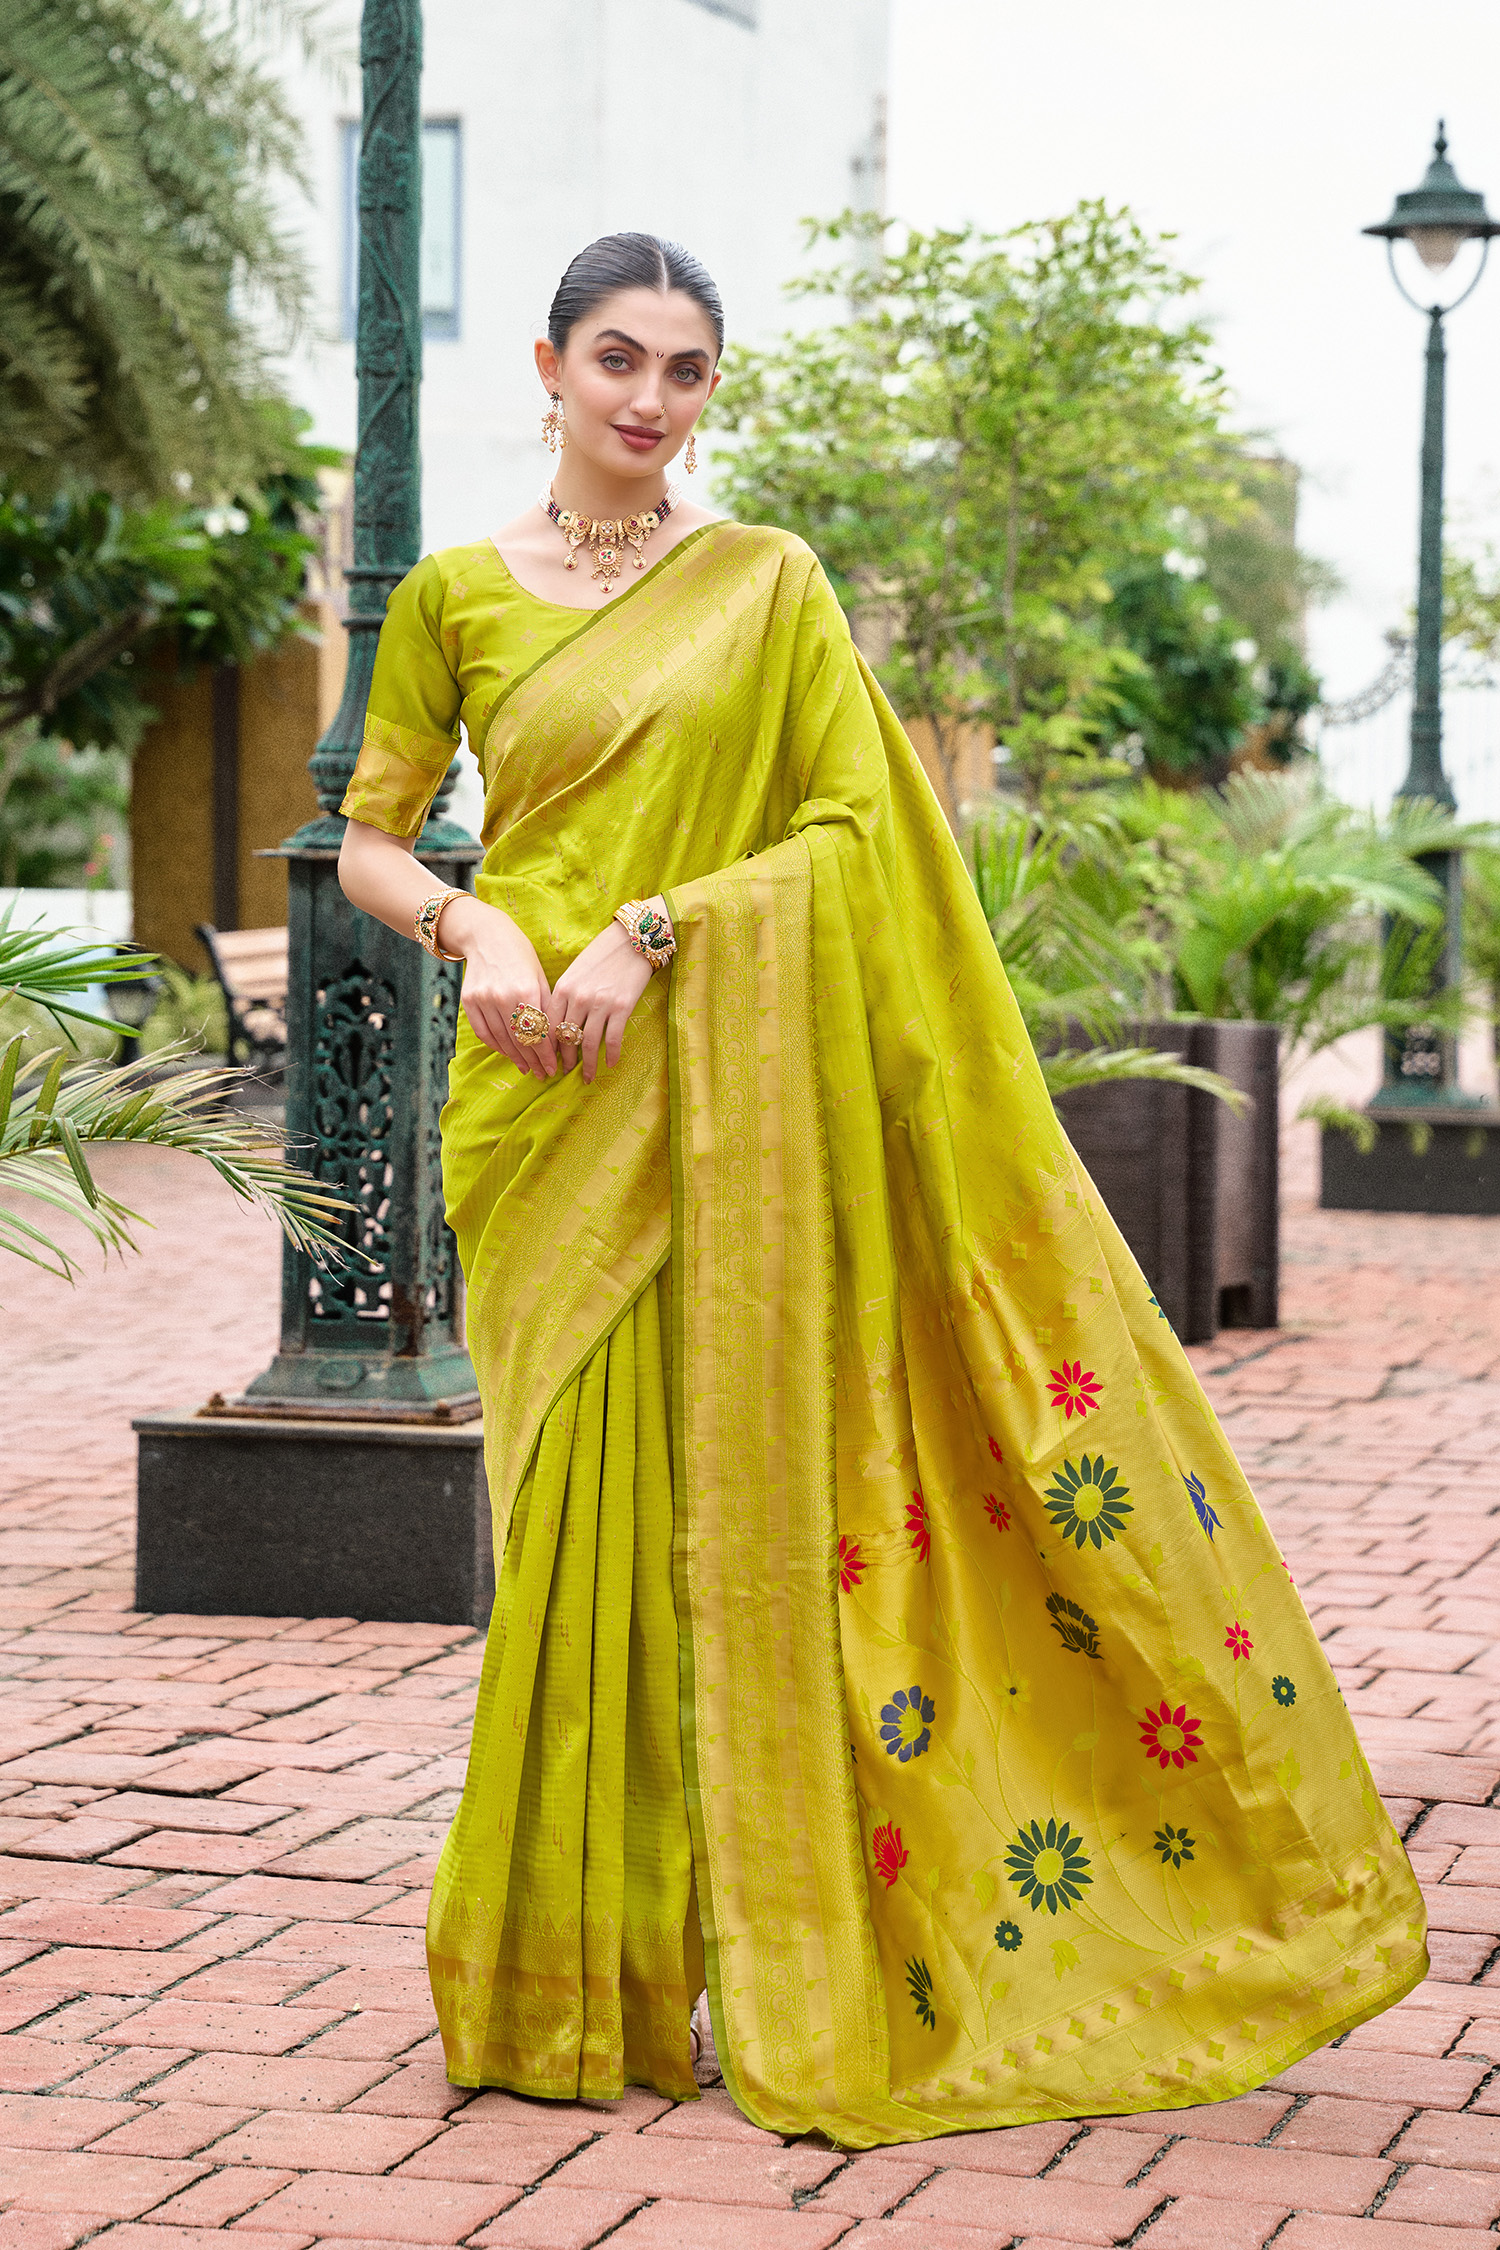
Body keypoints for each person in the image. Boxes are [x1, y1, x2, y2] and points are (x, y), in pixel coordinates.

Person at [336, 231, 1426, 2150]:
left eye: (686, 369)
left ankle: (736, 1949)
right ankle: (558, 1980)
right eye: (618, 358)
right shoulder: (451, 594)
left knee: (714, 1524)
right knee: (566, 1535)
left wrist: (659, 929)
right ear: (549, 365)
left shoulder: (767, 585)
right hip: (533, 1113)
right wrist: (478, 924)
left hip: (709, 1097)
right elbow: (366, 835)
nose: (651, 400)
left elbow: (858, 833)